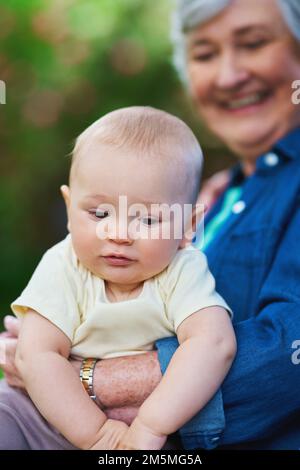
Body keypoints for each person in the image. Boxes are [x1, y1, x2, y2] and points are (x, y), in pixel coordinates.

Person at [2, 0, 300, 450]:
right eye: (203, 54)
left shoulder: (187, 252)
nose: (228, 75)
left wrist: (89, 380)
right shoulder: (220, 196)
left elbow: (281, 355)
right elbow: (35, 354)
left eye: (254, 43)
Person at [0, 106, 235, 450]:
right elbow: (36, 355)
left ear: (188, 226)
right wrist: (98, 435)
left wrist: (152, 424)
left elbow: (213, 344)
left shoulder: (183, 270)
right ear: (69, 209)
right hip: (37, 417)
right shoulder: (64, 265)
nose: (119, 233)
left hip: (146, 427)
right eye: (100, 213)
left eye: (148, 220)